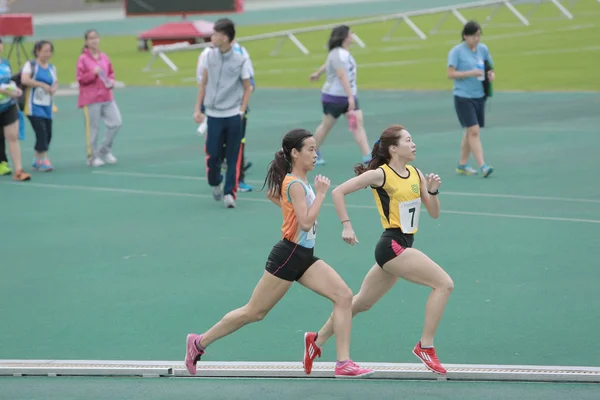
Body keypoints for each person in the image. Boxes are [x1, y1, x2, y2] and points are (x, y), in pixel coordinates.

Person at [185, 128, 373, 379]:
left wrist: (294, 207)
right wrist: (320, 195)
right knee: (254, 312)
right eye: (310, 150)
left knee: (344, 296)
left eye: (316, 149)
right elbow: (305, 223)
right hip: (288, 255)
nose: (315, 154)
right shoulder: (295, 184)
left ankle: (342, 362)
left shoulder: (298, 181)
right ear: (295, 153)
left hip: (304, 256)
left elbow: (274, 196)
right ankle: (199, 343)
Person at [302, 125, 454, 376]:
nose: (413, 144)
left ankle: (316, 341)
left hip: (403, 245)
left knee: (360, 303)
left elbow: (434, 213)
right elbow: (339, 192)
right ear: (393, 148)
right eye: (408, 140)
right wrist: (346, 226)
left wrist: (433, 190)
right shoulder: (380, 174)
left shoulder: (416, 173)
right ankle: (425, 346)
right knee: (444, 284)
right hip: (392, 246)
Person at [194, 18, 253, 208]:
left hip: (233, 115)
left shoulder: (240, 59)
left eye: (216, 34)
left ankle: (230, 193)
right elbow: (203, 83)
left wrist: (242, 110)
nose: (212, 37)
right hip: (213, 115)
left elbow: (247, 86)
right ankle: (215, 181)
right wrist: (198, 108)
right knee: (213, 155)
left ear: (225, 37)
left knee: (233, 155)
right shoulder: (208, 57)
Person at [309, 25, 370, 166]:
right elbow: (342, 75)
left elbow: (328, 65)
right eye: (350, 33)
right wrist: (350, 97)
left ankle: (367, 155)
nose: (352, 35)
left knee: (357, 124)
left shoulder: (343, 53)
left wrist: (318, 73)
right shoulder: (337, 54)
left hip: (349, 94)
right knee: (326, 126)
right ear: (344, 37)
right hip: (335, 97)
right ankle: (314, 152)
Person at [447, 20, 495, 178]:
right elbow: (450, 74)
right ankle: (483, 165)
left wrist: (490, 74)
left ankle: (462, 164)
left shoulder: (483, 49)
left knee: (470, 131)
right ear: (465, 36)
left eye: (479, 35)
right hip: (463, 96)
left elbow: (489, 66)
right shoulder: (457, 52)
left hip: (479, 95)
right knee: (474, 131)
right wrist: (471, 73)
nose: (477, 39)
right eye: (474, 36)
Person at [76, 29, 122, 168]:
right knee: (93, 128)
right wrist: (92, 73)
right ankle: (92, 156)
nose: (94, 41)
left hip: (107, 96)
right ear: (86, 41)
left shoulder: (104, 57)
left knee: (116, 122)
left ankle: (105, 150)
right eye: (90, 38)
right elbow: (80, 79)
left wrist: (112, 81)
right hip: (91, 98)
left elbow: (111, 72)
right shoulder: (83, 59)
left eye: (95, 38)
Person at [21, 40, 58, 172]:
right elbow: (24, 79)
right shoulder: (31, 65)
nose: (47, 54)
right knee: (41, 132)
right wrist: (41, 85)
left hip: (47, 105)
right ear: (37, 51)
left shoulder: (51, 68)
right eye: (45, 51)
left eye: (49, 51)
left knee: (48, 133)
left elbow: (55, 82)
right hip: (33, 106)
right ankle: (43, 159)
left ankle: (37, 159)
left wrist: (53, 88)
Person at [0, 37, 30, 181]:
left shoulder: (5, 64)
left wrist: (15, 89)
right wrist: (5, 90)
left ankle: (18, 170)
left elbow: (9, 81)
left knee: (12, 137)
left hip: (8, 105)